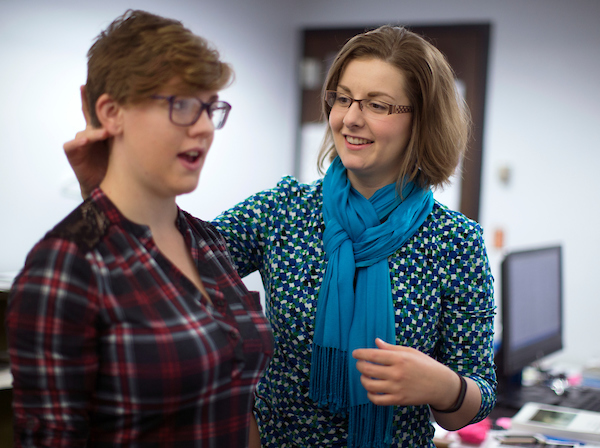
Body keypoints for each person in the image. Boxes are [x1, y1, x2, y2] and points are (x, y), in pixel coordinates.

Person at [63, 24, 496, 448]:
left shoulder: (455, 242)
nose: (349, 119)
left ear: (422, 120)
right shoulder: (284, 211)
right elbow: (172, 263)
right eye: (342, 99)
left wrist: (444, 386)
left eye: (378, 105)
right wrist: (109, 191)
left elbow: (475, 398)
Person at [6, 10, 273, 448]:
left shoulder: (208, 243)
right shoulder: (65, 267)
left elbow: (238, 405)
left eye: (209, 107)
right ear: (111, 112)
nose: (205, 126)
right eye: (181, 105)